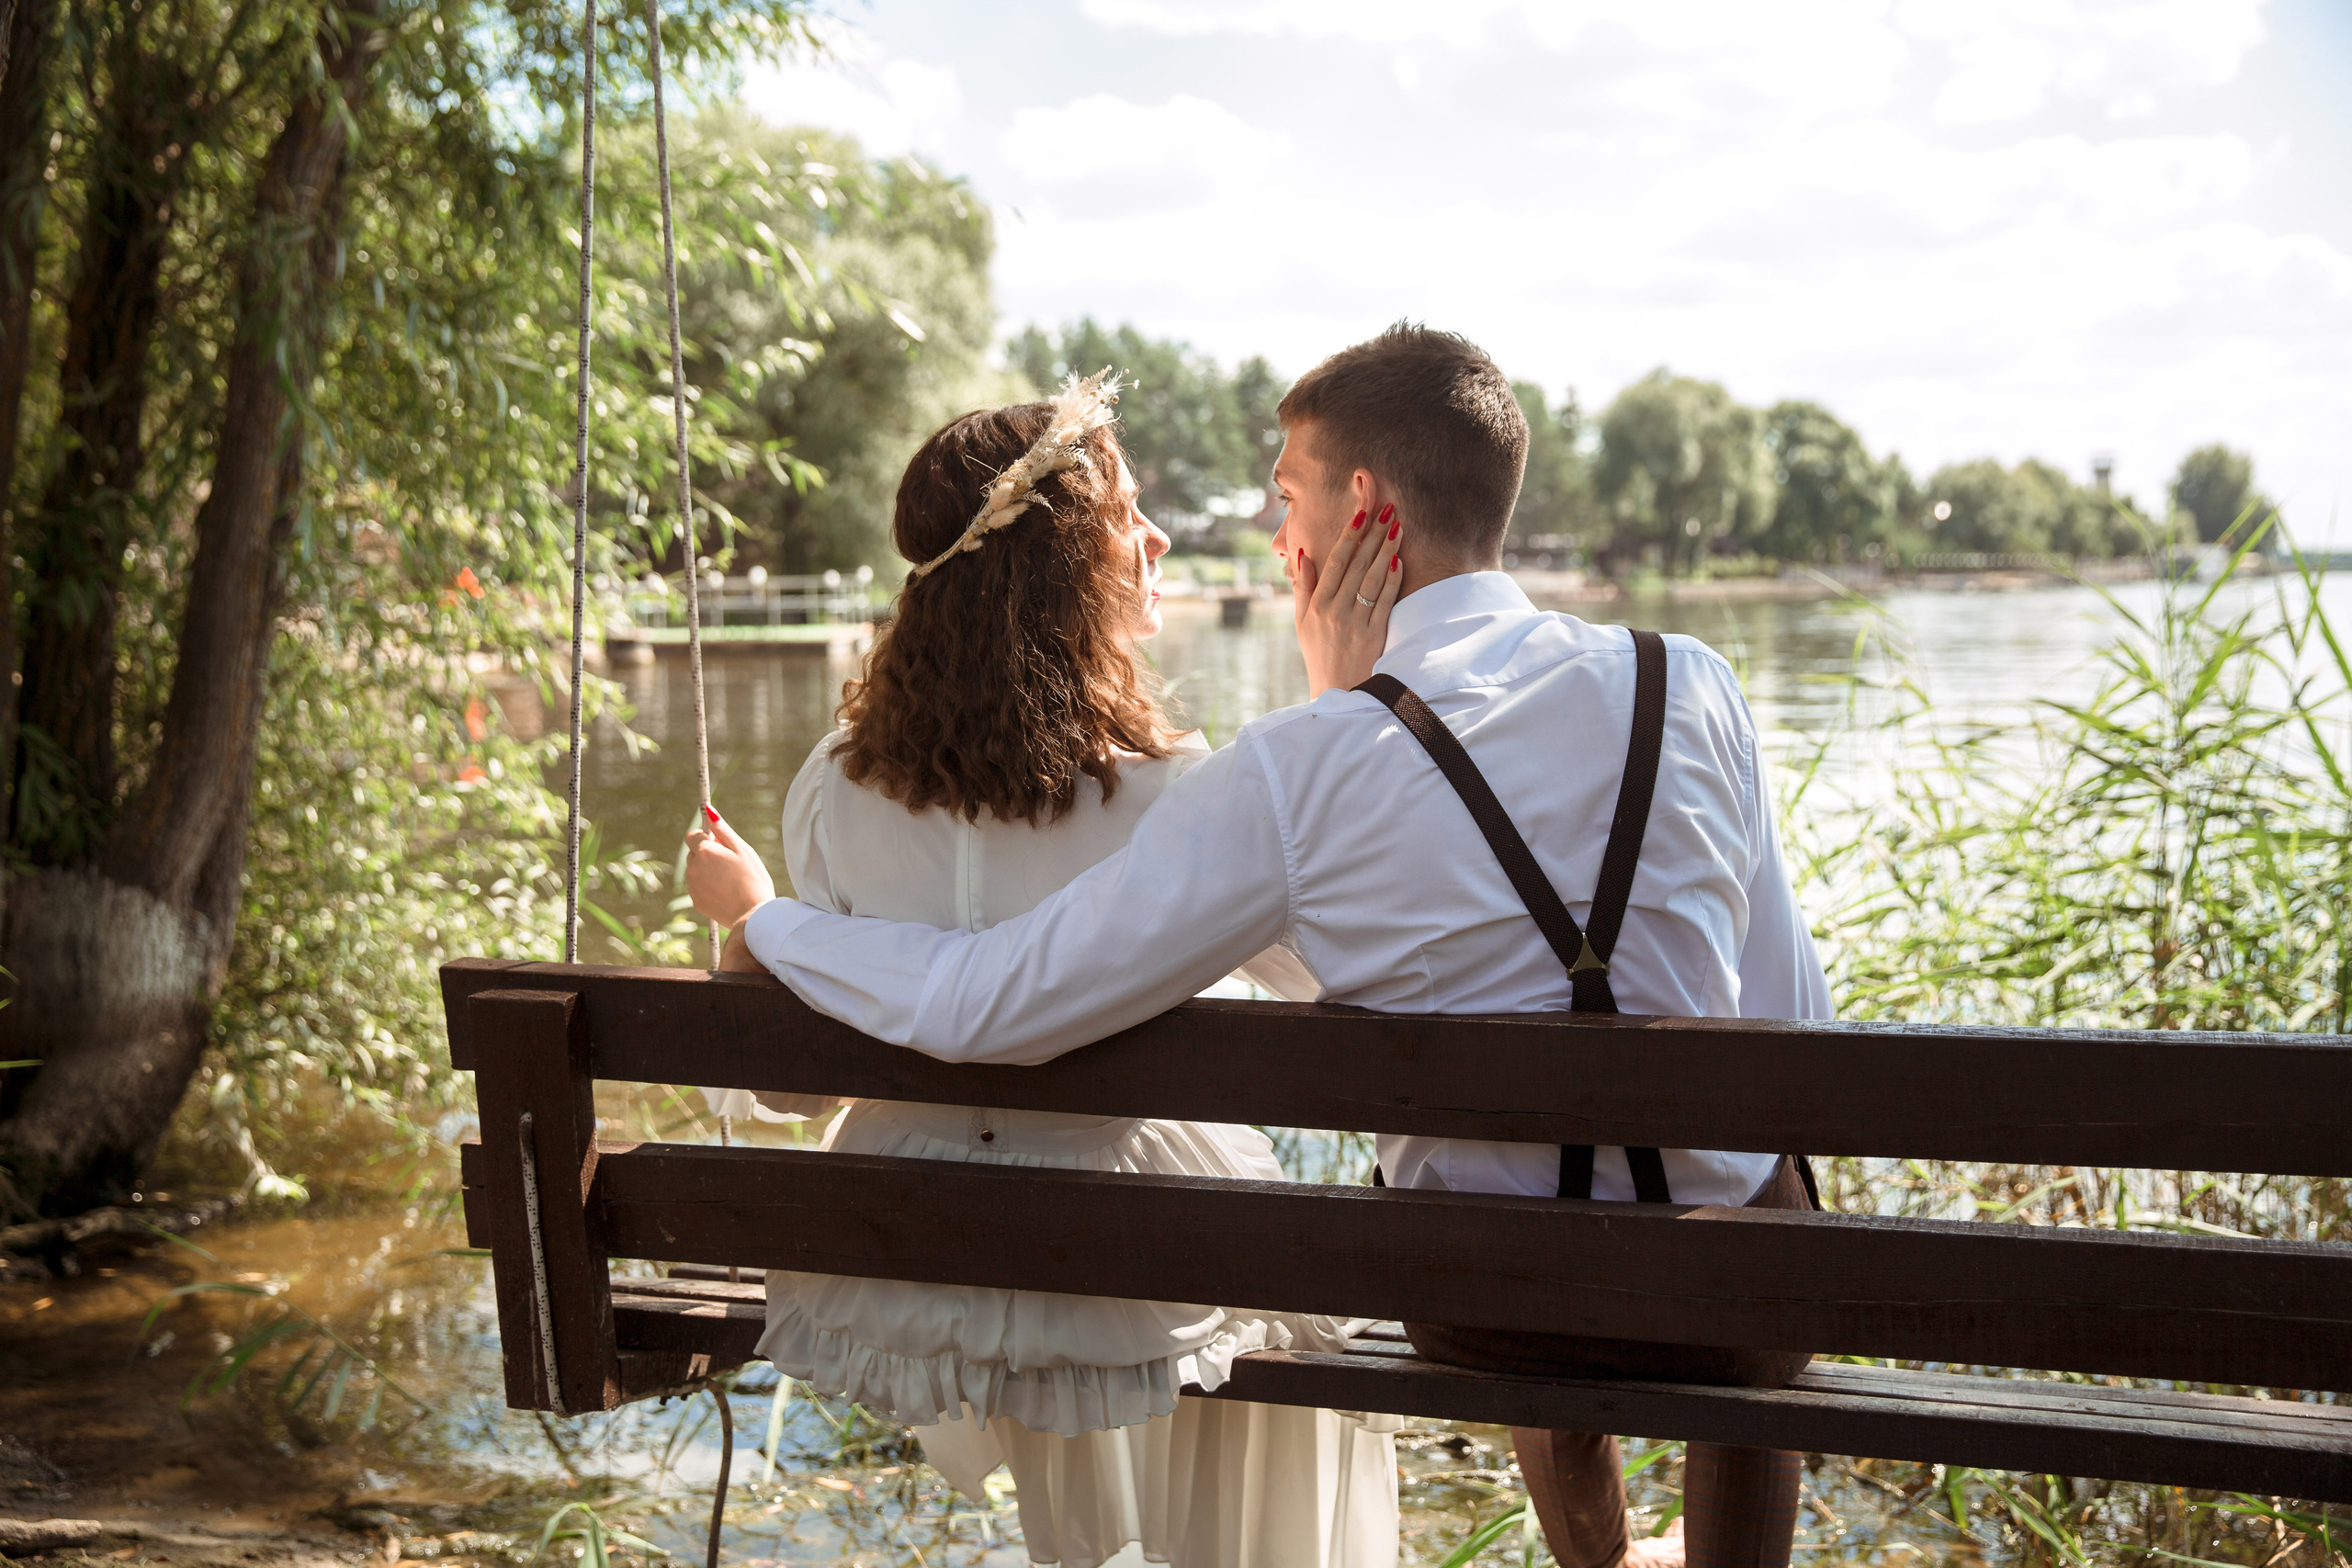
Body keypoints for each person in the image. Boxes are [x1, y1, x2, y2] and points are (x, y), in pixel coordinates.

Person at [691, 325, 1837, 1568]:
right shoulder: (1696, 681)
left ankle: (1604, 1556)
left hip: (1490, 1307)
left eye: (1285, 495)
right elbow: (1795, 1021)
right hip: (1738, 1309)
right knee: (1750, 1192)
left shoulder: (1303, 764)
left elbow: (994, 1003)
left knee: (1513, 1188)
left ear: (1359, 505)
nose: (1275, 539)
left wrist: (769, 920)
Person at [684, 374, 1400, 1568]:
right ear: (1070, 566)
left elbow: (795, 1092)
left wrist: (748, 928)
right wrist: (1344, 709)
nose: (1161, 540)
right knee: (1306, 1355)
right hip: (1130, 1266)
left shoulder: (834, 785)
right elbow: (1356, 992)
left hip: (901, 1258)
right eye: (1132, 516)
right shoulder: (1177, 795)